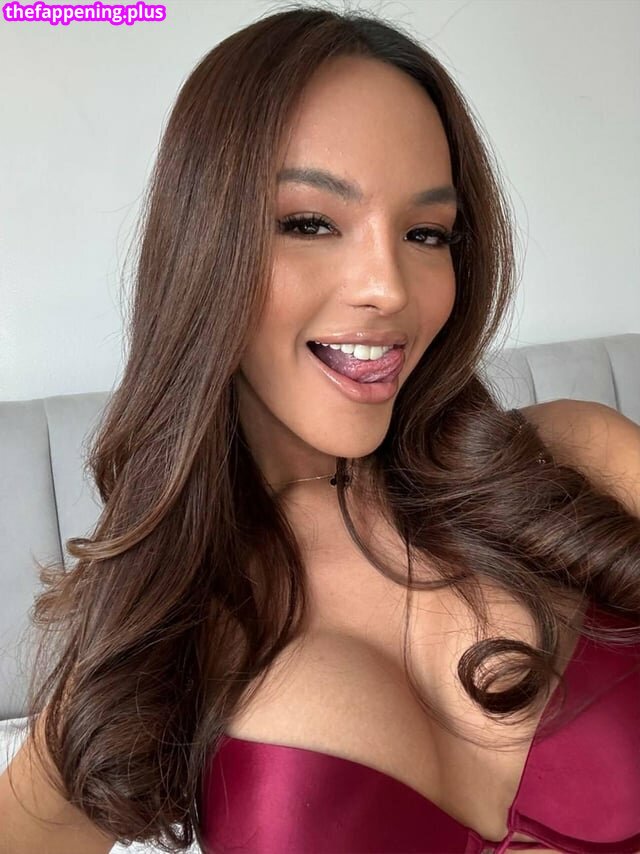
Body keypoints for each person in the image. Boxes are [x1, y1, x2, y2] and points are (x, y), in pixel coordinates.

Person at [1, 4, 639, 854]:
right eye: (309, 223)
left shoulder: (582, 463)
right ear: (203, 248)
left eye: (427, 233)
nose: (390, 287)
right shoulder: (159, 635)